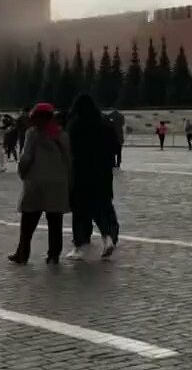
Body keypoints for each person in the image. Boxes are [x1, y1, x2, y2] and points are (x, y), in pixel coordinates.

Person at [8, 103, 71, 266]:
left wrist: (22, 173)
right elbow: (69, 160)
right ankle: (53, 256)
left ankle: (22, 254)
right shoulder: (62, 135)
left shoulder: (33, 133)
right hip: (57, 184)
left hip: (36, 182)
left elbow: (27, 157)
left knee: (28, 223)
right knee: (55, 222)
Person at [66, 94, 119, 260]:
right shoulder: (105, 124)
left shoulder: (76, 125)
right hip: (102, 173)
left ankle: (79, 246)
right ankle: (108, 236)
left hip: (81, 173)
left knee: (80, 210)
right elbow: (115, 146)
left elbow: (70, 149)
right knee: (103, 207)